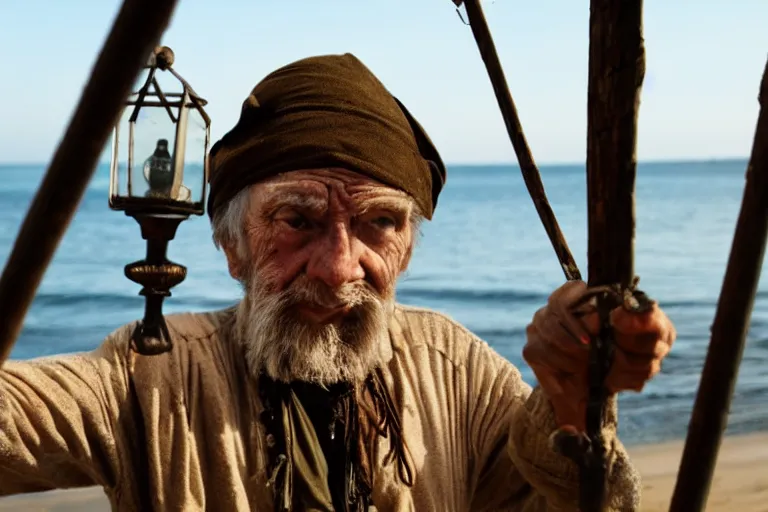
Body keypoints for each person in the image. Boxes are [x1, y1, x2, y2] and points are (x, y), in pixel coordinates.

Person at [0, 54, 675, 511]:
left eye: (379, 223)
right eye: (297, 219)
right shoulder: (150, 375)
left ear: (406, 250)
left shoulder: (455, 370)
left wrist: (569, 395)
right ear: (232, 245)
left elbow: (565, 495)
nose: (339, 268)